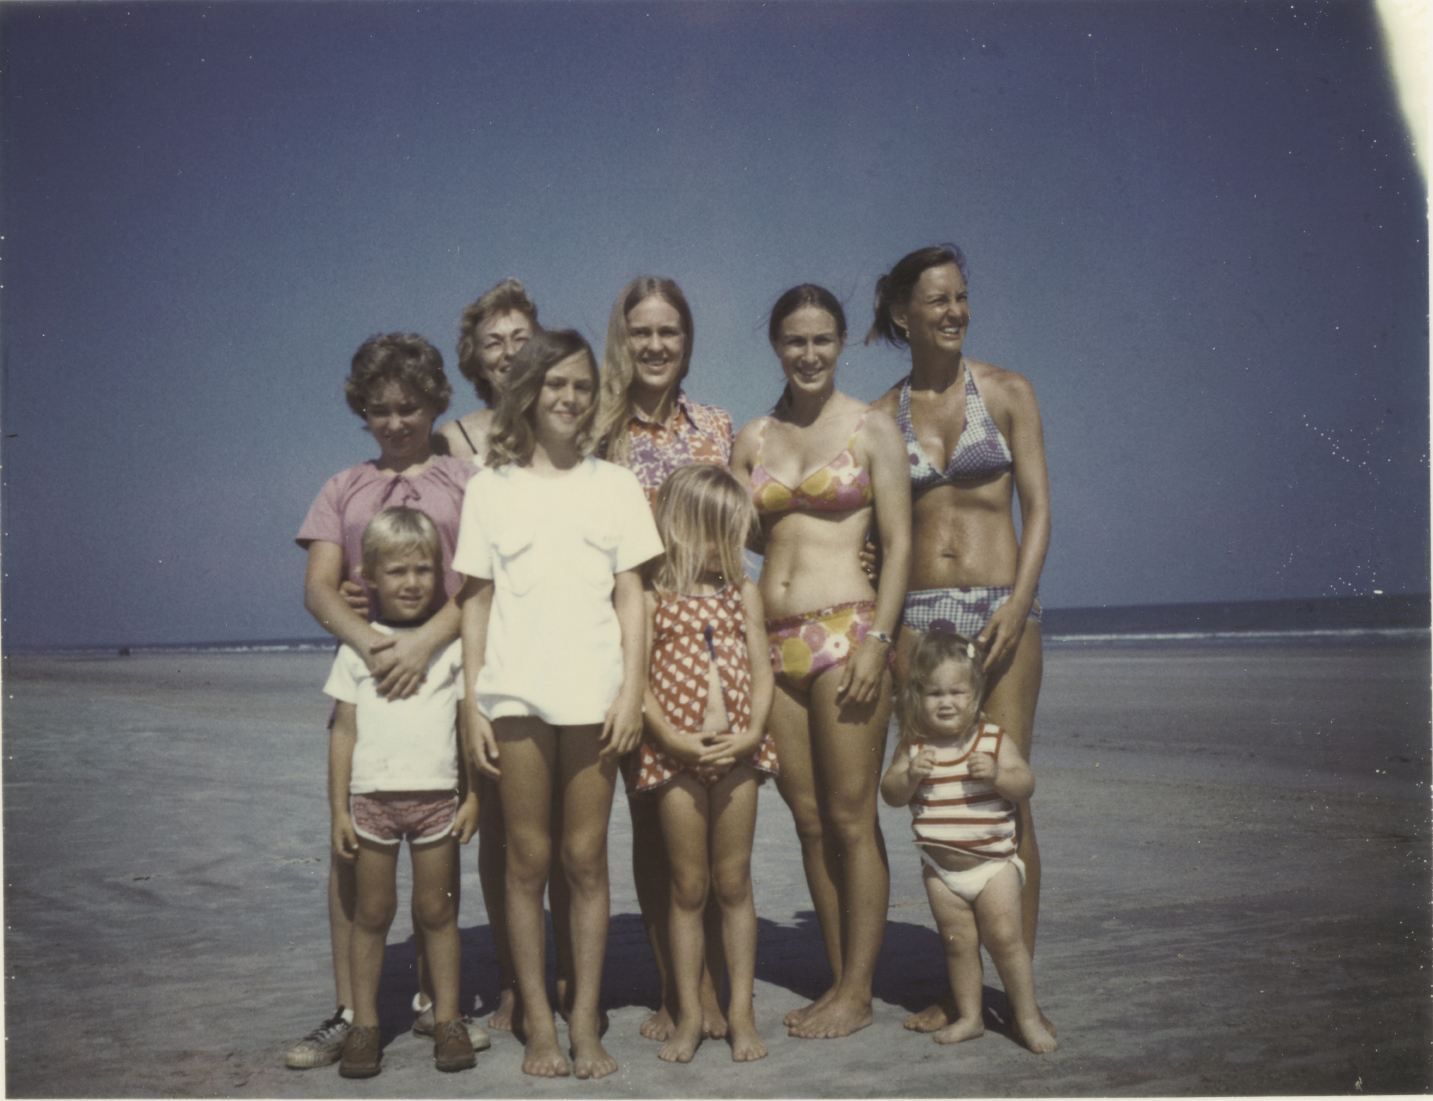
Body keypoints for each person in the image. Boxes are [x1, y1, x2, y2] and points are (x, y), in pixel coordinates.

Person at [455, 329, 663, 1079]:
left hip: (594, 695)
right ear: (528, 392)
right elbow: (474, 602)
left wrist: (632, 690)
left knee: (584, 858)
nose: (569, 397)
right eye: (554, 385)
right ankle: (537, 1021)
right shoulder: (491, 487)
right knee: (525, 861)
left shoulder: (614, 485)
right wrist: (471, 704)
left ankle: (584, 1021)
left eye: (581, 385)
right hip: (513, 695)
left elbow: (631, 597)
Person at [289, 333, 489, 1068]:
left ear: (434, 400)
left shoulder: (467, 482)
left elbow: (480, 585)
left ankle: (449, 1010)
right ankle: (351, 1012)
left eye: (408, 406)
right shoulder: (342, 486)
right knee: (354, 867)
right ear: (362, 411)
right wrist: (373, 647)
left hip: (442, 672)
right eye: (379, 409)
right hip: (370, 684)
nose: (396, 421)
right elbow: (320, 586)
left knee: (439, 887)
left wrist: (425, 643)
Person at [867, 244, 1051, 1033]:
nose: (952, 311)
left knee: (1006, 789)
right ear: (901, 313)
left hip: (1001, 606)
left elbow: (1038, 508)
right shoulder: (881, 415)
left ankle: (1016, 985)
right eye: (936, 299)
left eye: (960, 297)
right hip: (918, 616)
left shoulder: (1005, 391)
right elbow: (870, 524)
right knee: (936, 788)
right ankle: (960, 987)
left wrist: (1019, 601)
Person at [730, 284, 911, 1039]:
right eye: (794, 341)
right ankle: (841, 979)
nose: (808, 354)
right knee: (807, 821)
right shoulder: (753, 437)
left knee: (850, 817)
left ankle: (857, 992)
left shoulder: (871, 429)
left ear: (842, 343)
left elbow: (897, 543)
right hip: (773, 641)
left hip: (846, 633)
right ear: (775, 344)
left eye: (822, 340)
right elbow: (732, 533)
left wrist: (877, 641)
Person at [594, 277, 735, 1043]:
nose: (655, 345)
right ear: (623, 336)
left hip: (698, 643)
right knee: (648, 817)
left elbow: (738, 518)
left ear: (687, 340)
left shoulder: (715, 424)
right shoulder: (595, 428)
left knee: (704, 823)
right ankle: (681, 987)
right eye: (640, 331)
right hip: (615, 637)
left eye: (669, 332)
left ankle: (707, 979)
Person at [325, 508, 483, 1077]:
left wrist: (474, 797)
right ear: (369, 574)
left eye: (423, 569)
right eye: (396, 571)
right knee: (373, 913)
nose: (411, 582)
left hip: (437, 800)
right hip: (372, 804)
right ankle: (364, 1023)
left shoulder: (448, 646)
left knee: (436, 913)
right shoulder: (357, 648)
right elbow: (343, 732)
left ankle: (446, 1018)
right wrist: (339, 810)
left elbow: (468, 729)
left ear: (441, 573)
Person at [632, 465, 776, 1064]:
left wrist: (751, 734)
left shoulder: (743, 591)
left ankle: (740, 1011)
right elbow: (636, 681)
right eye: (711, 535)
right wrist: (669, 737)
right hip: (675, 757)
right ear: (675, 529)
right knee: (688, 887)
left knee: (733, 882)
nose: (724, 550)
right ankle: (690, 1012)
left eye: (732, 536)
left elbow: (763, 670)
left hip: (739, 752)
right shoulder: (651, 596)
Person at [879, 630, 1056, 1053]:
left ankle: (1026, 1016)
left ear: (975, 692)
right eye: (934, 692)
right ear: (917, 696)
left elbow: (1025, 785)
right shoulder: (915, 746)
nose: (946, 701)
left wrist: (997, 775)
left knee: (1004, 939)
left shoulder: (991, 740)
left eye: (957, 691)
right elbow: (890, 794)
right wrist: (910, 775)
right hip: (941, 872)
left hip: (993, 864)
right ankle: (971, 1017)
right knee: (958, 946)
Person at [436, 278, 539, 464]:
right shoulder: (454, 439)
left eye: (520, 339)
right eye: (494, 343)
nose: (510, 352)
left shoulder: (569, 423)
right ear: (478, 366)